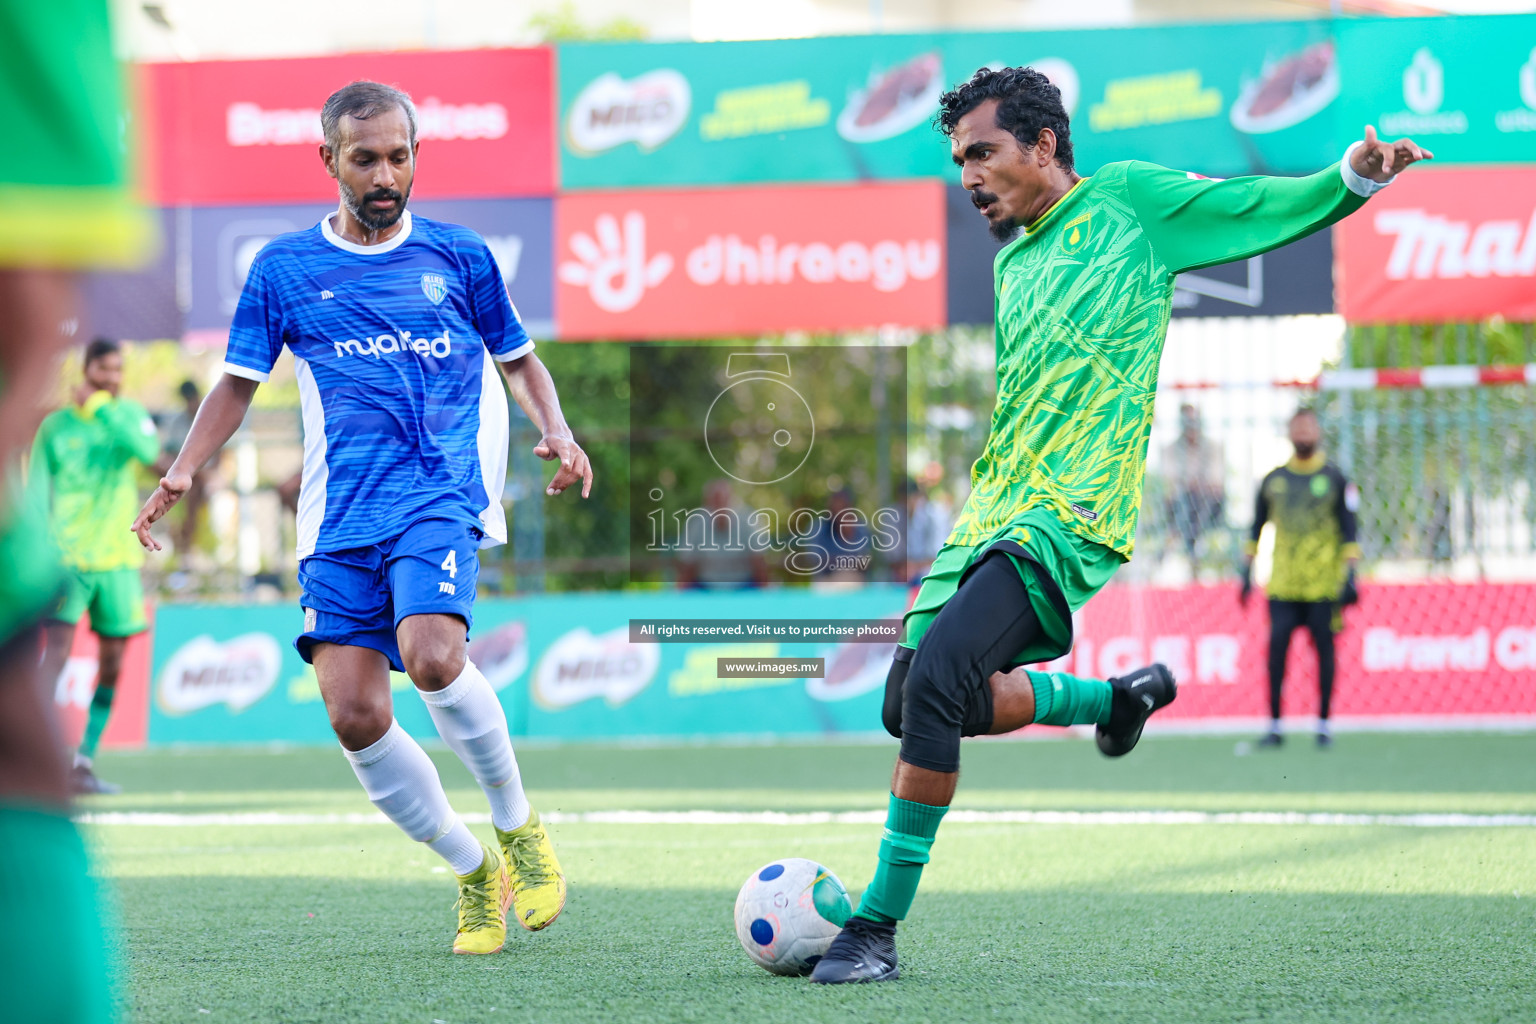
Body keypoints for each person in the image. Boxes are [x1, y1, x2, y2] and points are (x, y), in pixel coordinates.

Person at [809, 65, 1430, 984]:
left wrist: (1351, 180)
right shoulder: (1013, 262)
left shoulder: (1129, 204)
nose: (968, 175)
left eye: (982, 153)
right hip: (990, 514)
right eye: (957, 160)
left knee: (939, 680)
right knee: (910, 704)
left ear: (1044, 146)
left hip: (1070, 513)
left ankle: (875, 931)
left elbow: (1254, 206)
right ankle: (1114, 700)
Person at [132, 80, 593, 956]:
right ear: (329, 161)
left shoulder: (460, 257)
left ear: (416, 155)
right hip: (339, 516)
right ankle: (470, 871)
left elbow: (520, 361)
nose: (386, 174)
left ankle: (518, 826)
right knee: (353, 713)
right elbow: (236, 381)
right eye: (366, 159)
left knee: (432, 655)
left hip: (434, 496)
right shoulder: (285, 269)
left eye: (399, 156)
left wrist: (558, 429)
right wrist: (183, 472)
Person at [0, 0, 152, 1018]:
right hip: (60, 552)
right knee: (23, 729)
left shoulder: (123, 416)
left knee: (35, 725)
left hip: (103, 554)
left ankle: (87, 746)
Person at [32, 337, 159, 794]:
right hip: (67, 560)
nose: (112, 378)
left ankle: (82, 763)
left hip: (118, 561)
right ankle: (36, 764)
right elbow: (36, 493)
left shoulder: (126, 415)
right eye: (104, 370)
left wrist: (103, 407)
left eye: (118, 370)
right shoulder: (55, 426)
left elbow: (150, 457)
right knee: (56, 657)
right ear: (86, 370)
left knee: (112, 665)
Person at [1241, 408, 1360, 749]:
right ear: (1290, 432)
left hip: (1324, 586)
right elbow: (1256, 528)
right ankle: (1275, 726)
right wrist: (1246, 572)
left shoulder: (1337, 478)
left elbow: (1351, 529)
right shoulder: (1274, 479)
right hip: (1282, 585)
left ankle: (1323, 725)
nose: (1304, 432)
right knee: (1276, 652)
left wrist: (1351, 576)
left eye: (1309, 426)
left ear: (1319, 431)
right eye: (1298, 426)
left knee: (1324, 653)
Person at [155, 379, 213, 560]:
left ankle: (186, 541)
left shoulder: (212, 417)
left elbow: (222, 456)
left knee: (196, 486)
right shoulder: (178, 422)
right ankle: (184, 540)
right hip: (186, 475)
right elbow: (169, 453)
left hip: (205, 475)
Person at [1162, 403, 1226, 565]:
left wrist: (1196, 483)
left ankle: (1192, 548)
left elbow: (1215, 481)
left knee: (1197, 502)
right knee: (1184, 502)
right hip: (1182, 503)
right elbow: (1171, 483)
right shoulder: (1171, 449)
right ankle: (1192, 551)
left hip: (1207, 503)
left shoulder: (1212, 447)